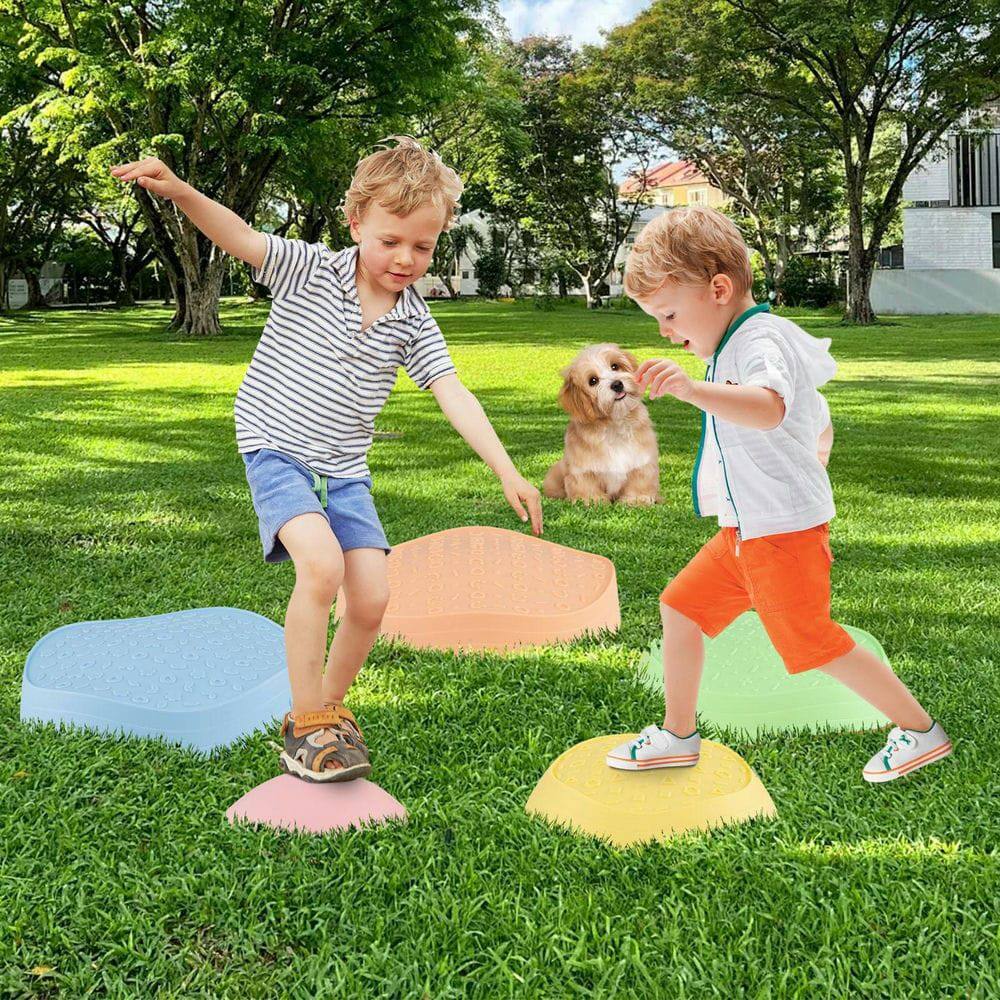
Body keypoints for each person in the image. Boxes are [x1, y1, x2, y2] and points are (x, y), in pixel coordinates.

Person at [111, 137, 543, 783]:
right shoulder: (308, 268)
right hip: (277, 446)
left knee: (371, 598)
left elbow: (452, 390)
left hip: (343, 469)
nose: (405, 259)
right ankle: (306, 722)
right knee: (320, 565)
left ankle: (327, 710)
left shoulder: (414, 320)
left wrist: (507, 469)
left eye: (422, 247)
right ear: (355, 224)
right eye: (391, 241)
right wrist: (179, 191)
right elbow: (237, 235)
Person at [605, 206, 951, 784]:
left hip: (780, 532)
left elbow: (769, 406)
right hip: (745, 532)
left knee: (811, 641)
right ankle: (679, 735)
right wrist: (815, 447)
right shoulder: (738, 343)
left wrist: (692, 389)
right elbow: (812, 411)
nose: (664, 331)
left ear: (718, 288)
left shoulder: (758, 339)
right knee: (681, 608)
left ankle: (919, 731)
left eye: (668, 314)